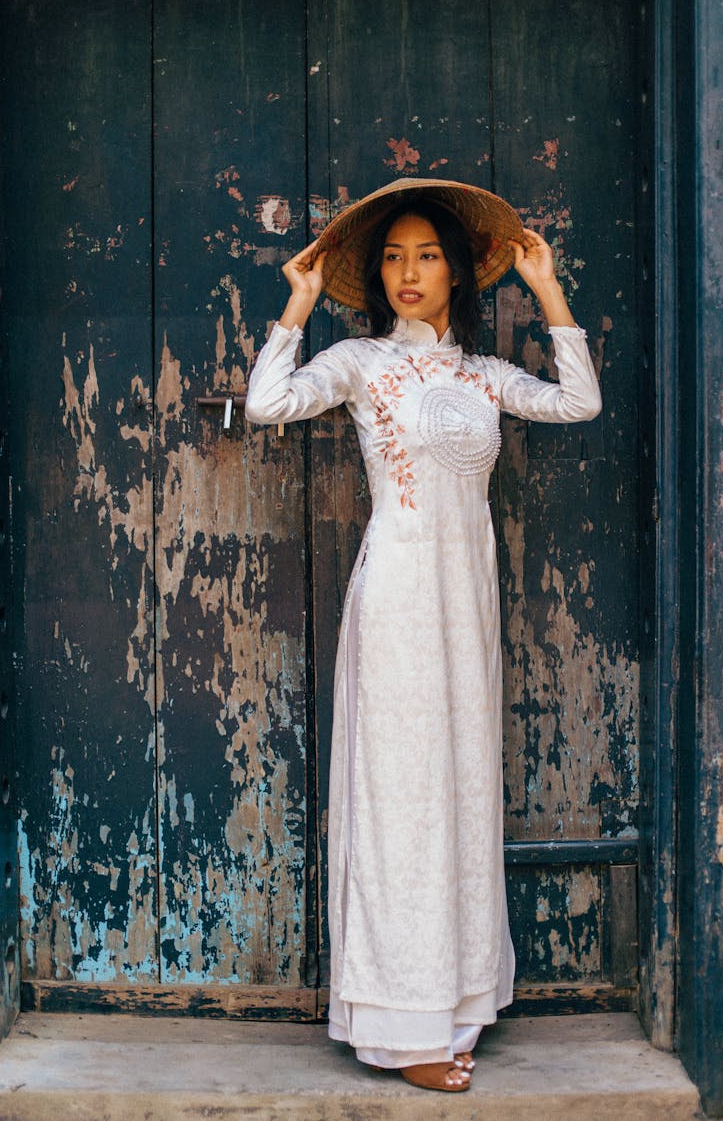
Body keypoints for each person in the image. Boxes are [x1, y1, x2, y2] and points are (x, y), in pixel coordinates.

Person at [245, 179, 602, 1092]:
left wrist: (548, 290)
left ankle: (453, 1004)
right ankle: (400, 1026)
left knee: (458, 791)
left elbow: (578, 402)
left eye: (428, 255)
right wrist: (299, 300)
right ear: (377, 274)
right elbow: (268, 403)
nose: (408, 272)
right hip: (400, 594)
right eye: (394, 257)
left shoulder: (485, 375)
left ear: (458, 272)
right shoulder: (363, 362)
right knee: (399, 795)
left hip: (466, 601)